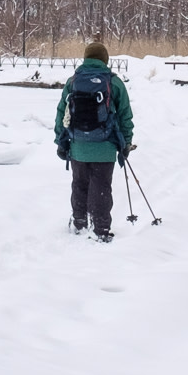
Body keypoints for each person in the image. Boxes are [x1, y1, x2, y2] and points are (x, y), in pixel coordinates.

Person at [54, 41, 134, 242]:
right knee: (101, 187)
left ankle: (80, 222)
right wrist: (126, 143)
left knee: (79, 184)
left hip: (78, 145)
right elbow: (125, 115)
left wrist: (61, 141)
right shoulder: (114, 83)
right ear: (105, 60)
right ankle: (101, 229)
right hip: (105, 147)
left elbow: (60, 113)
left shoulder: (73, 82)